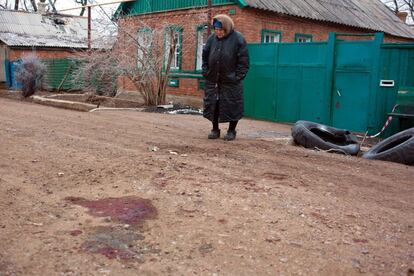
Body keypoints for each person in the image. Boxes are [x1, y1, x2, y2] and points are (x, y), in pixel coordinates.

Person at [202, 14, 249, 141]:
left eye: (220, 30)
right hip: (213, 80)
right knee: (214, 105)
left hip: (231, 82)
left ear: (227, 28)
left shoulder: (238, 39)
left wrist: (237, 77)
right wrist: (206, 71)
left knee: (233, 105)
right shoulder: (212, 39)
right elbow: (205, 56)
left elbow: (243, 62)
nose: (218, 32)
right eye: (216, 30)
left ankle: (231, 131)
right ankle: (215, 129)